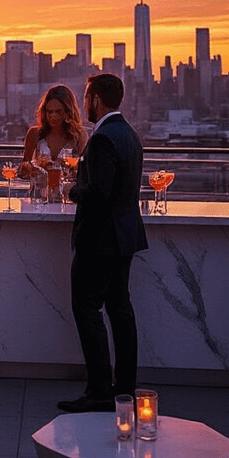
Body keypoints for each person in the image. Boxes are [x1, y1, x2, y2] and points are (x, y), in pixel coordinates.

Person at [58, 73, 148, 413]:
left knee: (87, 309)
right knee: (120, 311)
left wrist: (72, 189)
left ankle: (99, 391)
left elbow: (98, 193)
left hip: (100, 240)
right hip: (124, 236)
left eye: (86, 97)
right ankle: (123, 389)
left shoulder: (103, 139)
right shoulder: (129, 134)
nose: (84, 104)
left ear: (96, 99)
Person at [17, 85, 88, 183]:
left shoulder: (79, 136)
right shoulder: (34, 134)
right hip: (39, 195)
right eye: (49, 112)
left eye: (58, 112)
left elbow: (85, 172)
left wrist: (72, 168)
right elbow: (23, 170)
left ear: (68, 112)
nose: (53, 116)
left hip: (67, 195)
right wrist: (34, 170)